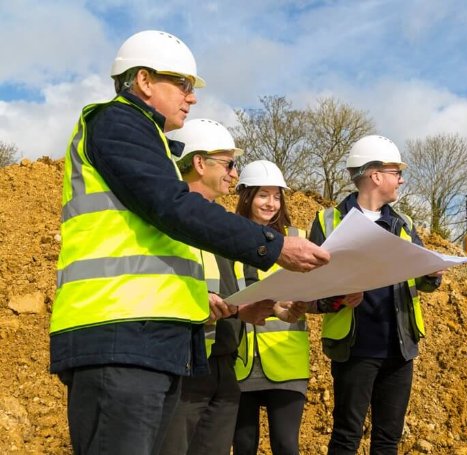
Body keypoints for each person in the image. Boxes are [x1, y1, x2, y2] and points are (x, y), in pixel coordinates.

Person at [49, 30, 329, 454]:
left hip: (149, 340)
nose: (191, 97)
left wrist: (229, 309)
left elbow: (157, 261)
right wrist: (274, 247)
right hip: (117, 336)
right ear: (144, 80)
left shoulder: (150, 141)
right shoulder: (116, 122)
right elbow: (173, 206)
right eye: (182, 84)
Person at [308, 135, 442, 454]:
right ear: (376, 175)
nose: (401, 180)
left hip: (399, 347)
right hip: (355, 348)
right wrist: (339, 299)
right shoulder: (328, 222)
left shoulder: (403, 223)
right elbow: (310, 290)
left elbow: (420, 282)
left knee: (388, 439)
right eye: (396, 172)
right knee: (346, 436)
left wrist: (431, 274)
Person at [158, 119, 274, 454]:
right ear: (198, 163)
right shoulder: (165, 220)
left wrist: (251, 308)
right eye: (228, 164)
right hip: (183, 365)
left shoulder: (222, 225)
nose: (235, 174)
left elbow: (234, 284)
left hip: (224, 365)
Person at [230, 160, 316, 455]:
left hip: (286, 359)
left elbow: (318, 292)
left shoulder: (298, 242)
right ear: (246, 196)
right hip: (241, 362)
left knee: (285, 445)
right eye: (263, 195)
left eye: (277, 195)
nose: (271, 203)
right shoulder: (227, 240)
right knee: (243, 445)